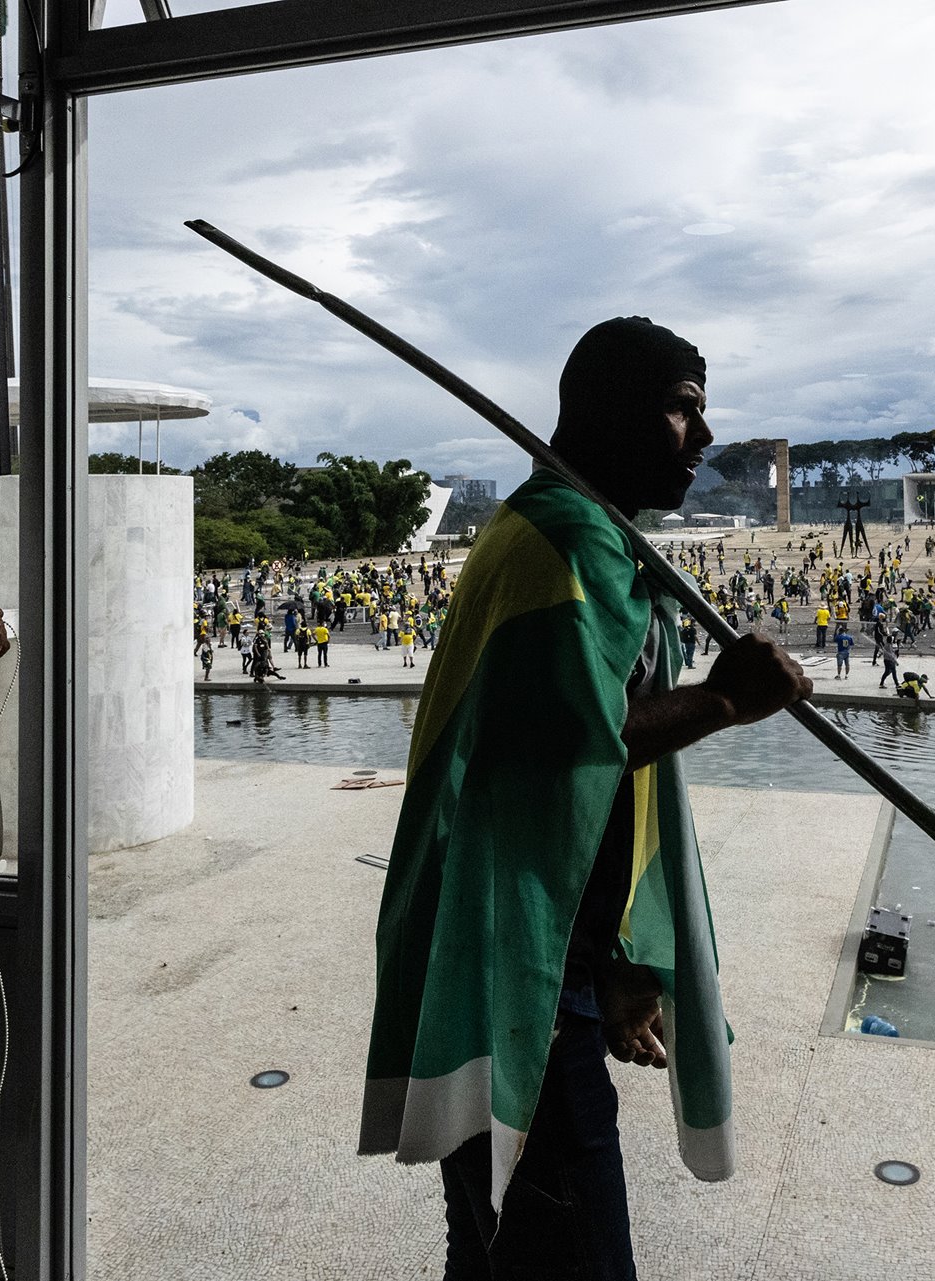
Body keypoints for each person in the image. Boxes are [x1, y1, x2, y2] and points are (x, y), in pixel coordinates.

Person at [360, 316, 811, 1280]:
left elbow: (588, 788)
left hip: (553, 956)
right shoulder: (556, 545)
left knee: (498, 1254)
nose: (704, 434)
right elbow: (564, 755)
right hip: (512, 959)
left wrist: (613, 954)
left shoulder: (591, 538)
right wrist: (726, 698)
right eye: (683, 407)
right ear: (608, 410)